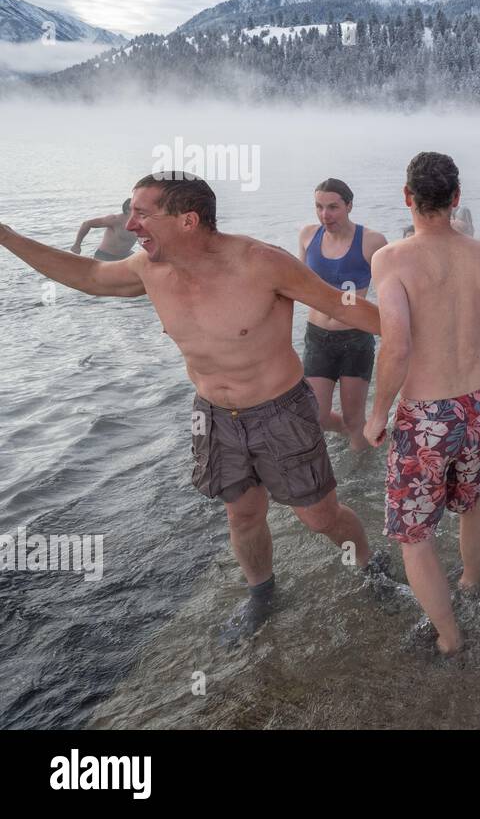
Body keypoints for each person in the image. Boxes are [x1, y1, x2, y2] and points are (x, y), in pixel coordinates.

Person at [0, 172, 384, 639]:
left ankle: (368, 563)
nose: (131, 224)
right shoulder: (149, 269)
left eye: (142, 214)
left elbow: (342, 306)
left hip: (280, 409)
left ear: (187, 220)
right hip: (214, 415)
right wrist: (6, 236)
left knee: (319, 517)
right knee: (242, 514)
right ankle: (262, 593)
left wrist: (424, 342)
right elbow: (88, 276)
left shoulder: (262, 263)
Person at [363, 153, 480, 656]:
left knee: (413, 535)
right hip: (477, 402)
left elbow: (397, 346)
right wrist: (474, 378)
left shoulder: (391, 259)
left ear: (407, 198)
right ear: (456, 199)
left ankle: (449, 636)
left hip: (425, 415)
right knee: (471, 500)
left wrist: (378, 413)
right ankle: (469, 580)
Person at [297, 178, 388, 452]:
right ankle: (351, 433)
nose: (325, 215)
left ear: (349, 205)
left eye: (333, 207)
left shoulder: (372, 241)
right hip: (317, 338)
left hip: (355, 339)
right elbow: (297, 284)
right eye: (319, 207)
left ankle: (362, 480)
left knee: (354, 416)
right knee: (317, 415)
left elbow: (390, 294)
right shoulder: (307, 236)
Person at [72, 199, 137, 261]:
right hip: (105, 255)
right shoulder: (115, 219)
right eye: (136, 208)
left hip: (125, 256)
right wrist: (77, 245)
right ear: (128, 210)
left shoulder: (141, 222)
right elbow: (86, 224)